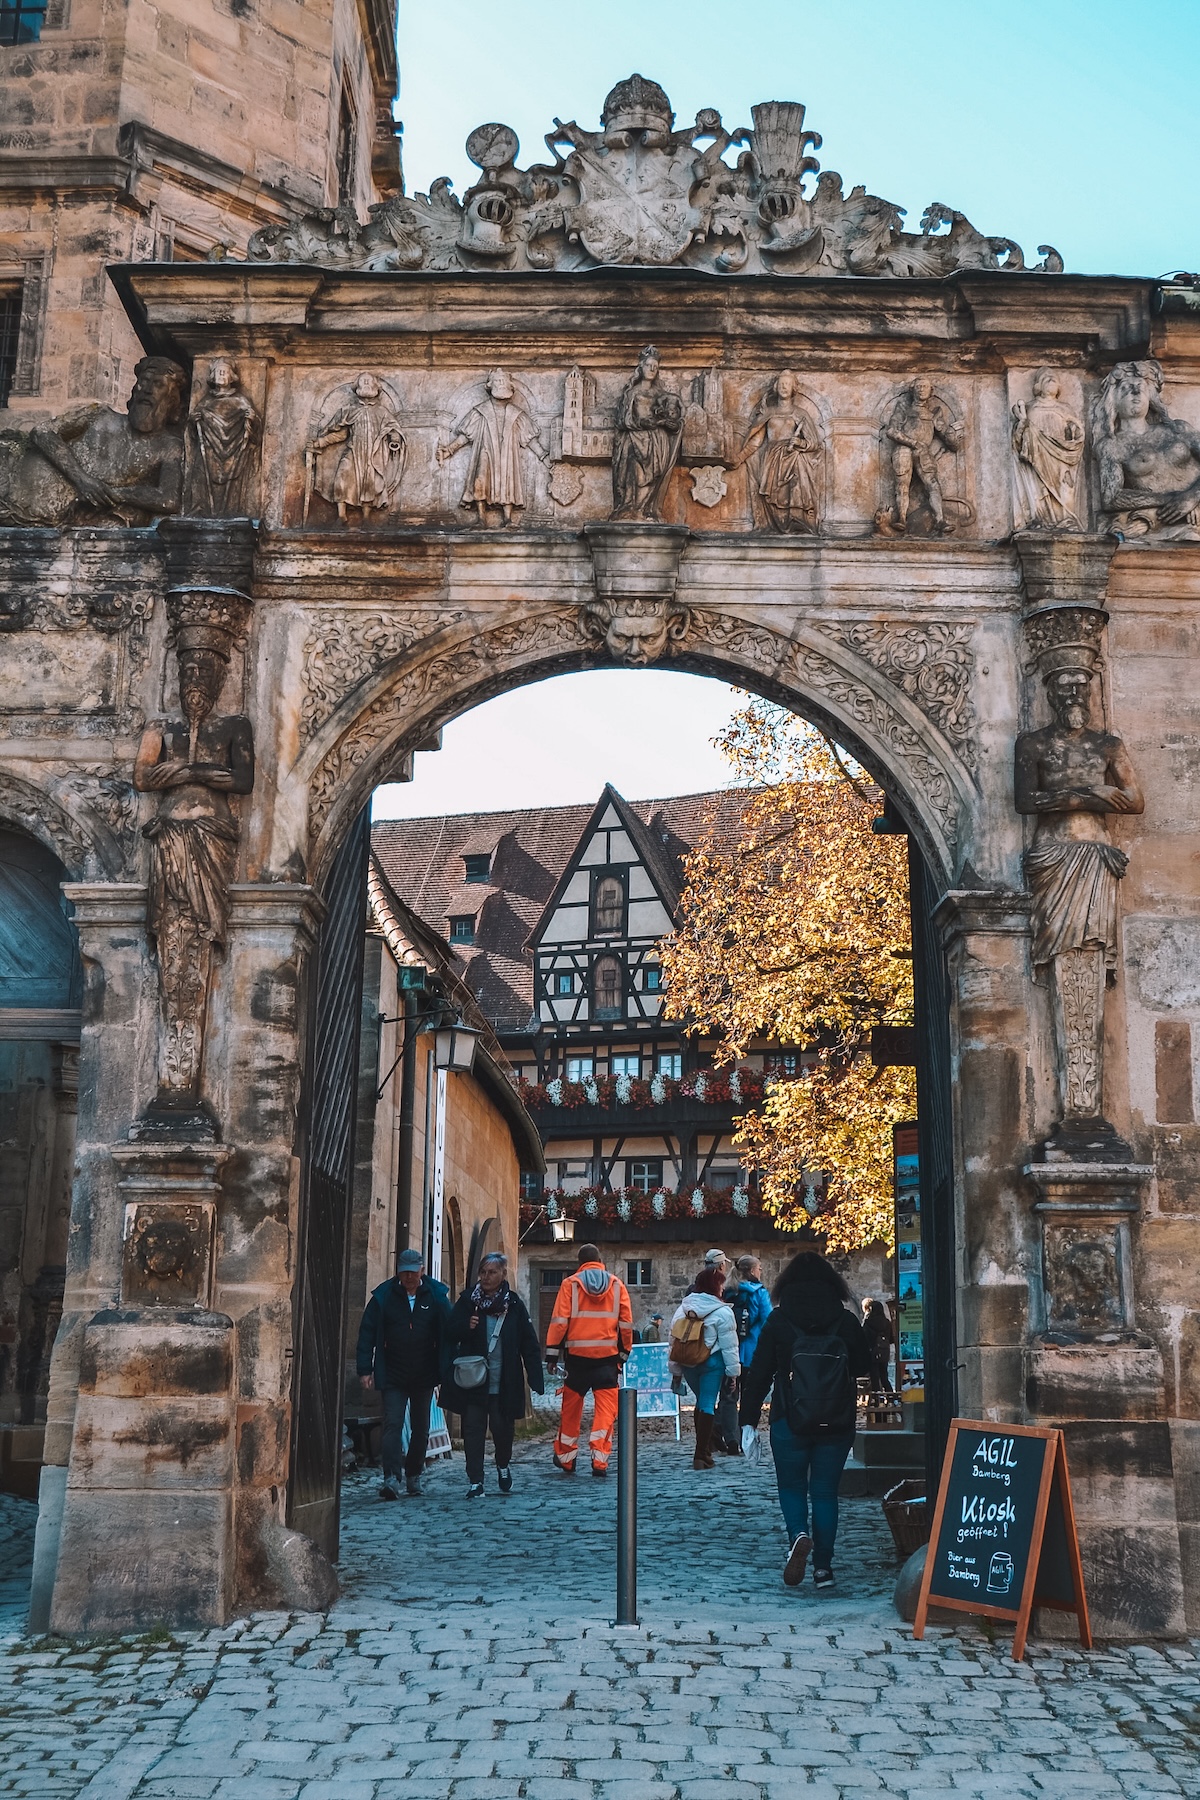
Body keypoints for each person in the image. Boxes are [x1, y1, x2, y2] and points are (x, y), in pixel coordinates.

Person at [739, 1251, 870, 1590]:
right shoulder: (845, 1321)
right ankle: (824, 1568)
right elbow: (862, 1367)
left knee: (792, 1486)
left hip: (788, 1418)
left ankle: (798, 1535)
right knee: (825, 1493)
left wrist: (748, 1420)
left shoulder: (780, 1321)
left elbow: (759, 1374)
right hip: (837, 1420)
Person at [442, 1251, 544, 1499]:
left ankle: (502, 1464)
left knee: (502, 1430)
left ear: (503, 1274)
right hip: (474, 1382)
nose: (486, 1277)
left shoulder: (514, 1305)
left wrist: (535, 1377)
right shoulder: (467, 1302)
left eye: (492, 1272)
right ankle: (475, 1480)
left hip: (504, 1381)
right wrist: (467, 1327)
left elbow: (528, 1343)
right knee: (473, 1430)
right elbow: (448, 1333)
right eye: (483, 1272)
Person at [356, 1248, 450, 1500]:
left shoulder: (437, 1296)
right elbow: (367, 1333)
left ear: (422, 1270)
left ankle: (413, 1476)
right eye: (404, 1272)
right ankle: (391, 1478)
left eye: (412, 1271)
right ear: (398, 1271)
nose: (408, 1277)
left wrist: (447, 1367)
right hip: (393, 1372)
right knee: (393, 1425)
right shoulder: (384, 1296)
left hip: (424, 1373)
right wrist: (365, 1369)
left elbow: (450, 1331)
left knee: (421, 1429)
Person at [545, 1245, 634, 1477]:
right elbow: (626, 1323)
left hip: (576, 1362)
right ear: (600, 1260)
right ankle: (599, 1461)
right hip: (607, 1362)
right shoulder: (617, 1285)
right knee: (606, 1413)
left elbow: (559, 1321)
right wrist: (624, 1354)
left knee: (570, 1412)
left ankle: (567, 1459)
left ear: (580, 1262)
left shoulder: (570, 1285)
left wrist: (552, 1354)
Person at [668, 1266, 740, 1471]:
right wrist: (733, 1373)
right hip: (711, 1364)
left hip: (689, 1363)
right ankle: (701, 1454)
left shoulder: (682, 1309)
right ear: (716, 1287)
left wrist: (675, 1373)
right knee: (707, 1403)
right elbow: (729, 1345)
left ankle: (704, 1451)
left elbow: (673, 1342)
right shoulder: (723, 1311)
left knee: (700, 1403)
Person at [862, 1298, 896, 1396]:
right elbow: (891, 1339)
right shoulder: (887, 1322)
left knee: (874, 1377)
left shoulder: (868, 1322)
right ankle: (891, 1398)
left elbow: (864, 1337)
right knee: (884, 1377)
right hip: (884, 1353)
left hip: (872, 1352)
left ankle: (877, 1400)